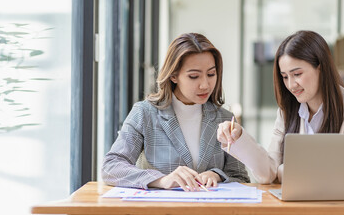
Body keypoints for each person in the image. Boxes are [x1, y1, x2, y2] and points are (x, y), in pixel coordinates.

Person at [217, 30, 344, 184]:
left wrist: (280, 172)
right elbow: (267, 174)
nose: (291, 85)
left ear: (320, 67)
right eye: (285, 77)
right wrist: (239, 137)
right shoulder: (286, 112)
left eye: (297, 74)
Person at [102, 33, 250, 191]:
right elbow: (111, 167)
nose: (205, 85)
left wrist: (217, 175)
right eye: (194, 76)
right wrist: (161, 180)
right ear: (173, 76)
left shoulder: (225, 119)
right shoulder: (145, 113)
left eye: (211, 74)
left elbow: (241, 178)